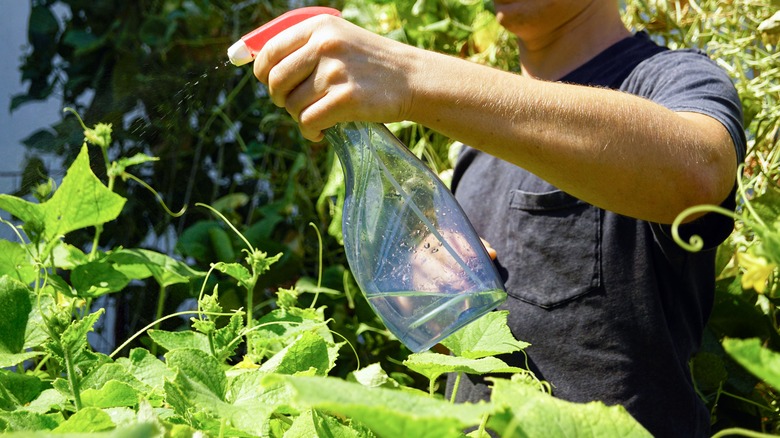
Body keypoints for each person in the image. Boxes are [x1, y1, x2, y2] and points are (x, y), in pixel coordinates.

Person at [253, 1, 746, 436]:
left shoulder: (671, 77)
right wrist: (440, 303)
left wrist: (409, 76)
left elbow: (697, 174)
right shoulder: (472, 152)